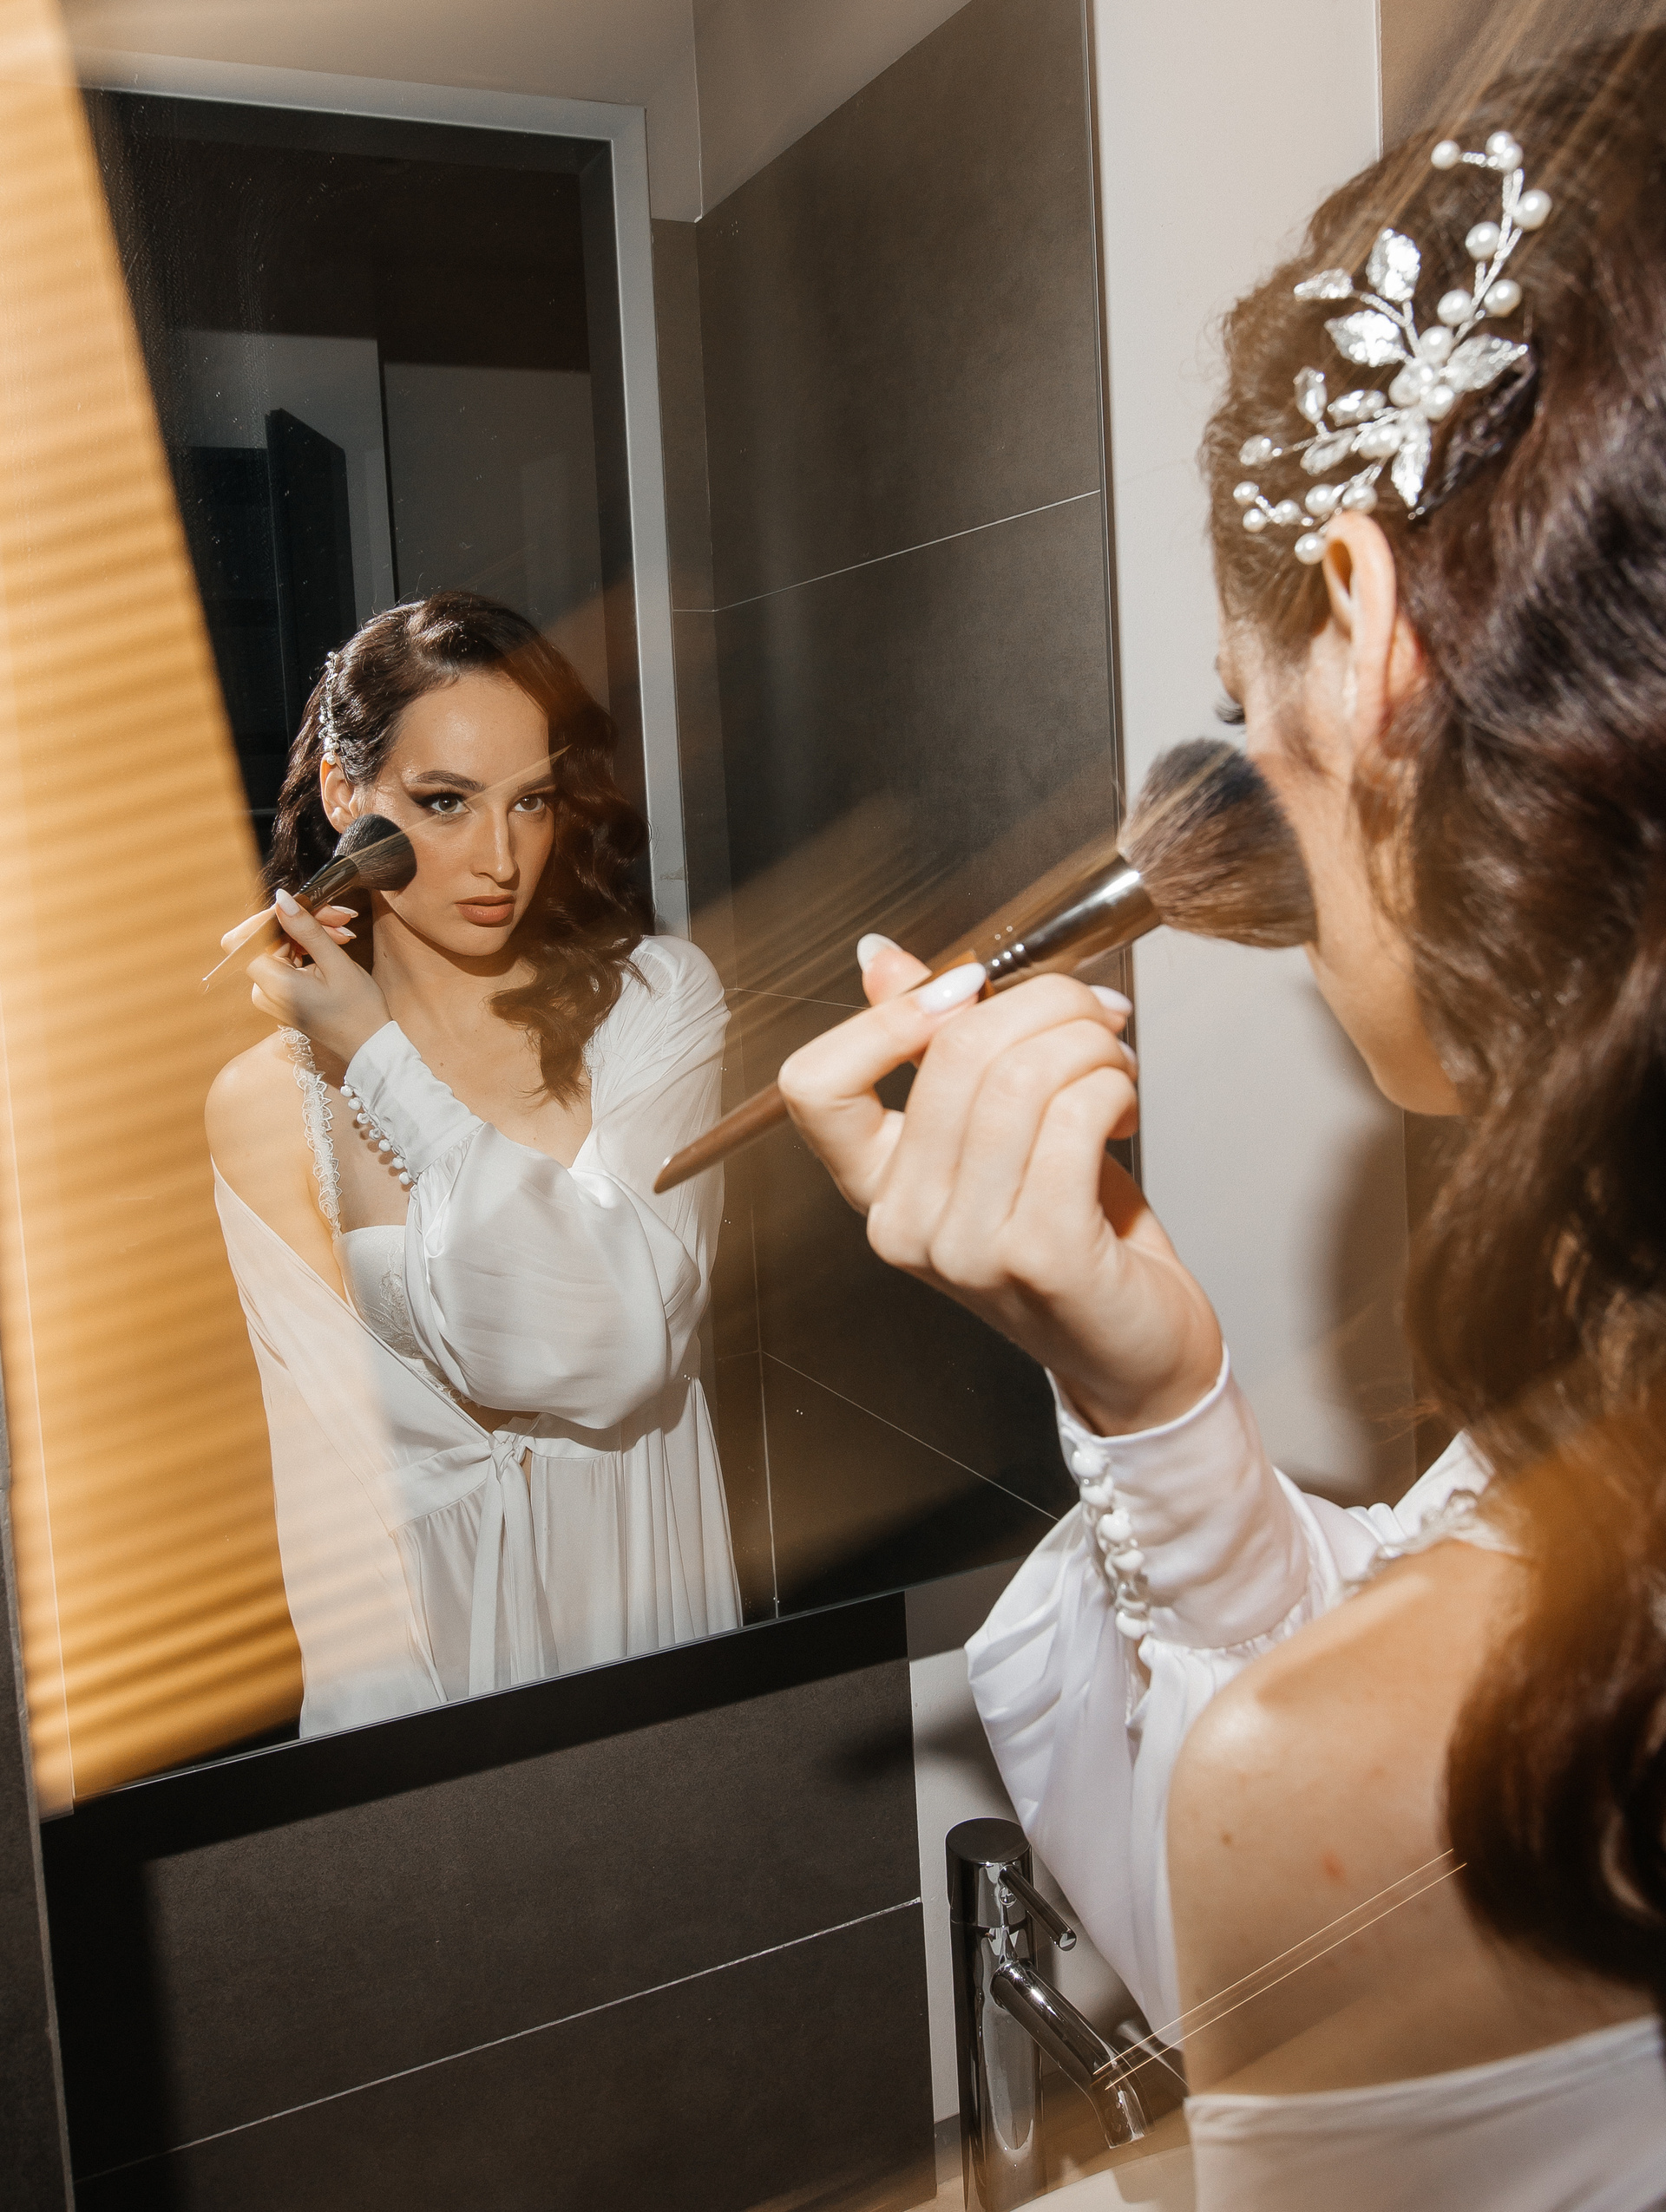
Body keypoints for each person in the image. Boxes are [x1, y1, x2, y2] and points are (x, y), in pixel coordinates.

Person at [776, 36, 1666, 2210]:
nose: (1241, 771)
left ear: (1366, 639)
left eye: (1238, 704)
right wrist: (1152, 1394)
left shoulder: (1366, 1745)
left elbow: (1352, 1792)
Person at [207, 592, 739, 1738]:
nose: (500, 858)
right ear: (347, 799)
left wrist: (381, 1065)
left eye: (531, 801)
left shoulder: (656, 1007)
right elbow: (338, 1500)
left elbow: (621, 1346)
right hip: (432, 1675)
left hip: (647, 1617)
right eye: (444, 802)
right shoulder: (264, 1105)